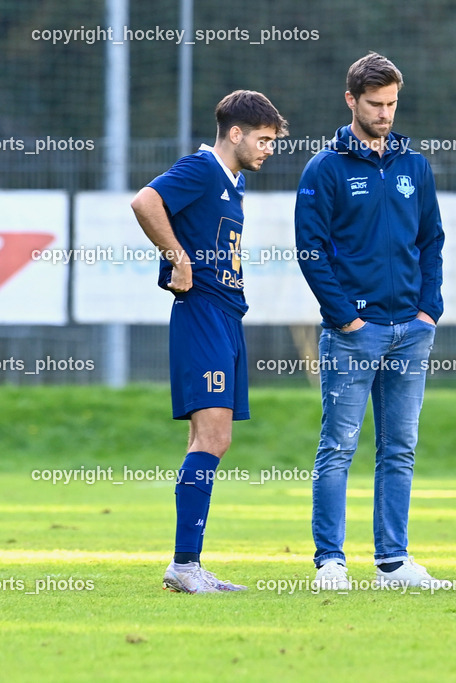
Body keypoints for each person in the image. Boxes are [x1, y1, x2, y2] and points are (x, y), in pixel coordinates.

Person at [294, 53, 448, 591]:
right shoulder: (325, 168)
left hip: (411, 328)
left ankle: (393, 563)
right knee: (338, 446)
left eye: (392, 104)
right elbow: (310, 250)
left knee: (399, 448)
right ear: (351, 101)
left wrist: (429, 310)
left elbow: (431, 241)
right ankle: (330, 562)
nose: (385, 114)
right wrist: (345, 319)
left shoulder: (416, 166)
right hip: (352, 333)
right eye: (375, 104)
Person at [130, 90, 288, 593]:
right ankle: (183, 565)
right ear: (235, 134)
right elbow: (145, 201)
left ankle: (188, 565)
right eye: (263, 140)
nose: (268, 149)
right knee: (214, 439)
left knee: (207, 440)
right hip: (203, 315)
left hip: (225, 316)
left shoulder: (233, 183)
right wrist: (177, 256)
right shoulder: (202, 169)